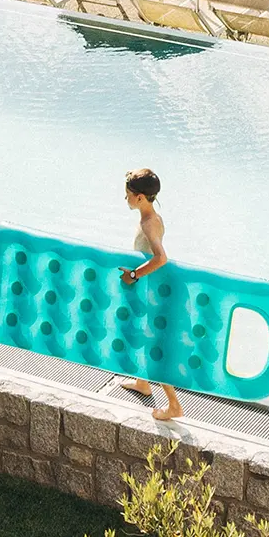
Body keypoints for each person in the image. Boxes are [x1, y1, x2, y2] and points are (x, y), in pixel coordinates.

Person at [117, 168, 183, 420]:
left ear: (140, 197)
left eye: (128, 195)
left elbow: (160, 258)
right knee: (144, 337)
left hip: (152, 292)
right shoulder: (152, 218)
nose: (126, 199)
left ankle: (174, 404)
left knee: (154, 345)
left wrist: (133, 275)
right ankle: (143, 383)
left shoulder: (149, 224)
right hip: (148, 290)